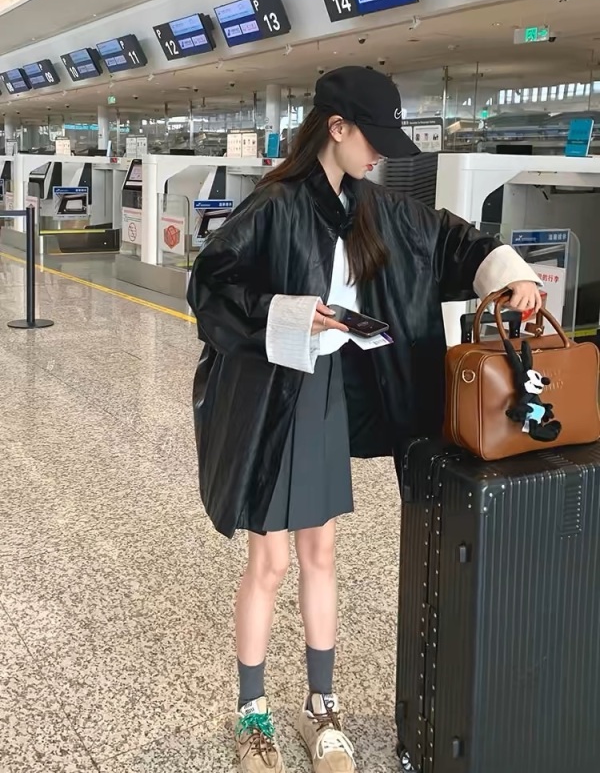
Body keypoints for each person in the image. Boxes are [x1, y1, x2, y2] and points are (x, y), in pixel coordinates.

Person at [187, 67, 541, 773]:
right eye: (371, 137)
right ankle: (252, 713)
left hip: (326, 400)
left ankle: (322, 706)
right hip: (271, 399)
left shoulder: (378, 209)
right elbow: (211, 284)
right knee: (270, 561)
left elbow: (452, 242)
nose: (380, 153)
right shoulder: (276, 204)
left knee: (321, 554)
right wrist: (291, 313)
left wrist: (515, 276)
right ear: (336, 127)